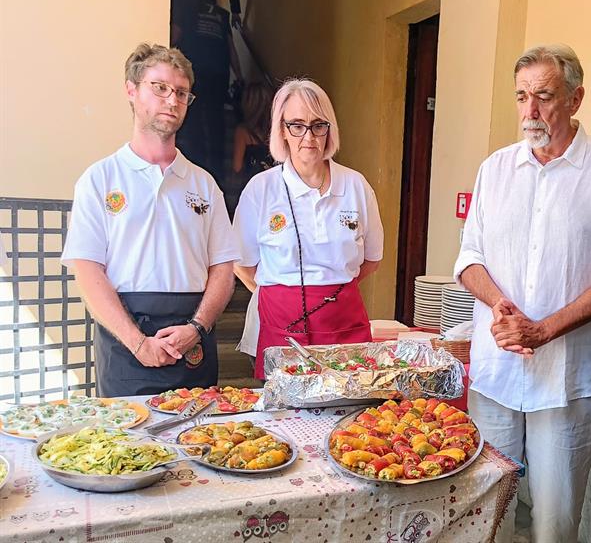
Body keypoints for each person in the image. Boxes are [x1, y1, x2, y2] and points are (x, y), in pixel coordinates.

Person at [453, 44, 591, 542]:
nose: (530, 111)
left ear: (575, 98)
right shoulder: (495, 168)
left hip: (564, 380)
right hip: (495, 376)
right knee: (485, 515)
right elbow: (468, 259)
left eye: (544, 96)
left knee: (554, 524)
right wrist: (498, 304)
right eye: (522, 97)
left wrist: (542, 330)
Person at [61, 43, 239, 397]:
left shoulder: (204, 184)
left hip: (193, 337)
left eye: (182, 92)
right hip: (126, 341)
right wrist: (138, 343)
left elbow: (223, 269)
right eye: (160, 87)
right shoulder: (100, 180)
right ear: (131, 89)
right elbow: (88, 272)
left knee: (202, 443)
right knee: (127, 445)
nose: (172, 100)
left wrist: (196, 327)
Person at [233, 78, 383, 379]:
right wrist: (281, 294)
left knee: (352, 422)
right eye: (297, 125)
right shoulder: (261, 189)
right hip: (282, 328)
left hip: (345, 325)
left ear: (330, 129)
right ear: (281, 130)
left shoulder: (355, 185)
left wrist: (331, 292)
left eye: (318, 125)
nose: (309, 136)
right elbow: (242, 265)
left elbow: (372, 259)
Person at [173, 0, 244, 189]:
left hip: (194, 73)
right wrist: (239, 75)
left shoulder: (186, 8)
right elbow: (231, 48)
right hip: (219, 75)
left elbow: (175, 36)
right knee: (216, 121)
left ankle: (194, 165)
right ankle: (216, 172)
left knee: (192, 118)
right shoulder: (222, 15)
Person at [232, 82, 276, 182]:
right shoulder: (275, 130)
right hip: (272, 184)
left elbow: (237, 167)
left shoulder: (242, 132)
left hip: (252, 184)